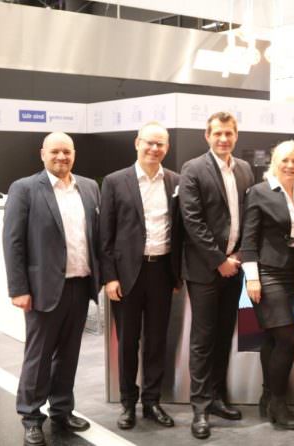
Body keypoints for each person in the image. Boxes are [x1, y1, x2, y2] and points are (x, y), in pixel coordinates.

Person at [3, 132, 101, 446]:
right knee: (38, 357)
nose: (61, 157)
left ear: (74, 154)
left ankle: (62, 410)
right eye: (55, 151)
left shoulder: (89, 187)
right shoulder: (25, 188)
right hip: (42, 289)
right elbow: (13, 242)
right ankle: (31, 417)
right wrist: (19, 288)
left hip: (80, 284)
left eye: (67, 152)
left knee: (69, 355)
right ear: (42, 154)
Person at [99, 122, 182, 430]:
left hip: (162, 271)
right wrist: (110, 277)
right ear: (137, 143)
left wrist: (177, 275)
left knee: (157, 341)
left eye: (160, 144)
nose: (154, 149)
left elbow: (181, 230)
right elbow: (105, 234)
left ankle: (151, 401)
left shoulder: (175, 180)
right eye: (149, 142)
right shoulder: (114, 181)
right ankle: (127, 403)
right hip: (126, 276)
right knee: (127, 343)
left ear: (167, 148)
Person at [179, 111, 254, 440]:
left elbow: (249, 216)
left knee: (224, 335)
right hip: (205, 270)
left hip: (234, 266)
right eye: (218, 133)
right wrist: (218, 260)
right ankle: (200, 407)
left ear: (236, 136)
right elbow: (192, 221)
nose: (224, 139)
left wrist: (239, 255)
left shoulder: (245, 169)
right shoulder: (193, 169)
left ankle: (217, 397)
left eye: (229, 133)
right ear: (207, 136)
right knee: (203, 339)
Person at [239, 140, 294, 430]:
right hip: (267, 274)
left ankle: (267, 395)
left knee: (272, 338)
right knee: (288, 338)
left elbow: (292, 229)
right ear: (275, 161)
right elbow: (248, 239)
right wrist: (252, 278)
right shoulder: (259, 192)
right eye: (285, 160)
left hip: (292, 272)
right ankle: (279, 403)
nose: (290, 165)